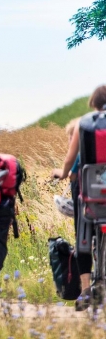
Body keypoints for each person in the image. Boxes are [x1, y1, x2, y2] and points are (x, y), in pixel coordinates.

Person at [52, 84, 106, 311]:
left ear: (93, 102)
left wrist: (62, 174)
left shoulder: (83, 123)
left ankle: (85, 290)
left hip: (89, 193)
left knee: (82, 234)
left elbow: (70, 158)